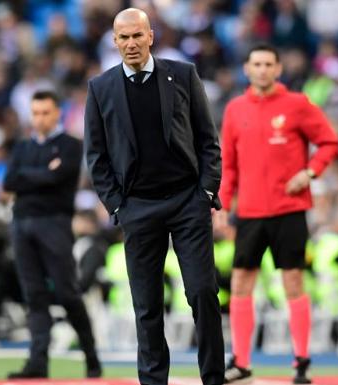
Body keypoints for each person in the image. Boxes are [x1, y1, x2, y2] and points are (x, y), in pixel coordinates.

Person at [84, 7, 225, 385]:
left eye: (137, 35)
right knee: (146, 307)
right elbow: (95, 157)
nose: (130, 43)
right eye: (123, 37)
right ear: (114, 41)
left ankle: (213, 379)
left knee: (203, 294)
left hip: (186, 202)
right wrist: (118, 206)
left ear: (151, 36)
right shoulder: (100, 88)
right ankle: (153, 382)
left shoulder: (182, 75)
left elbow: (208, 140)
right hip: (138, 208)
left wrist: (206, 191)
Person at [215, 43, 338, 384]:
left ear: (278, 69)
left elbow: (329, 142)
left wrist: (310, 172)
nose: (262, 69)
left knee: (293, 281)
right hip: (251, 212)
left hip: (289, 209)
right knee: (241, 282)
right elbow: (229, 164)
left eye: (268, 64)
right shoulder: (235, 109)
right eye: (256, 63)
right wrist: (223, 205)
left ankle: (301, 360)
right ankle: (241, 362)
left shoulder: (297, 105)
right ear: (247, 69)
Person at [2, 90, 101, 379]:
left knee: (67, 292)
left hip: (54, 224)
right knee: (34, 295)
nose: (40, 118)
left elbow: (58, 177)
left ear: (58, 112)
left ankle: (91, 356)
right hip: (22, 223)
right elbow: (10, 181)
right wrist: (42, 173)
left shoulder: (70, 145)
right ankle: (38, 362)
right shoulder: (22, 146)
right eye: (35, 113)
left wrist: (28, 177)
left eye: (45, 112)